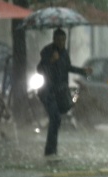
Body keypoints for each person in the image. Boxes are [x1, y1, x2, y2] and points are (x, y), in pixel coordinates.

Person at [37, 28, 92, 157]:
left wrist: (83, 71)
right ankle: (50, 151)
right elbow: (40, 69)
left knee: (57, 120)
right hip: (48, 91)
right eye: (59, 40)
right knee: (55, 117)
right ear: (54, 39)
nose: (61, 42)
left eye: (63, 40)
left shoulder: (64, 53)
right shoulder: (47, 51)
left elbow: (68, 67)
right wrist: (51, 61)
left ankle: (52, 149)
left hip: (60, 92)